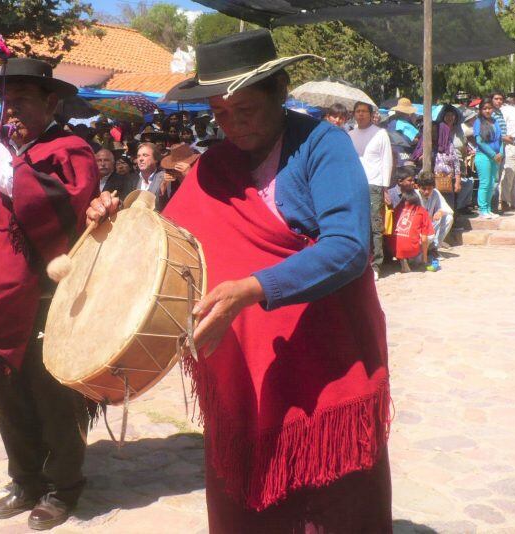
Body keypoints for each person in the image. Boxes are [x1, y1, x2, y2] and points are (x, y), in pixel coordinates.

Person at [88, 29, 390, 533]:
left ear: (279, 91)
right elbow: (167, 240)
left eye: (245, 109)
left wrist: (252, 289)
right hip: (243, 368)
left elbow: (350, 247)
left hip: (322, 358)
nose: (233, 124)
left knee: (330, 500)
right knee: (250, 500)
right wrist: (111, 220)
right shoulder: (216, 165)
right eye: (221, 113)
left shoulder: (322, 146)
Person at [0, 58, 98, 530]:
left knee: (53, 394)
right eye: (6, 103)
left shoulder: (71, 149)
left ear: (52, 102)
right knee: (7, 392)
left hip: (48, 298)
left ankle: (62, 486)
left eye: (23, 102)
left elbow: (59, 205)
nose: (10, 113)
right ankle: (26, 478)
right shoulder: (1, 151)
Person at [348, 101, 393, 281]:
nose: (360, 115)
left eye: (364, 111)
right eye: (357, 111)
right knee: (357, 224)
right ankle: (360, 262)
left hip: (374, 184)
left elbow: (386, 161)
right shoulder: (350, 135)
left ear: (370, 113)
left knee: (375, 226)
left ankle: (376, 265)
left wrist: (385, 188)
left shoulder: (380, 134)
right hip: (355, 185)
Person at [387, 190, 434, 273]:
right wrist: (425, 260)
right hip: (411, 249)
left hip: (393, 248)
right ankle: (415, 259)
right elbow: (424, 239)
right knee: (430, 236)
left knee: (401, 238)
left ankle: (402, 258)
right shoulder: (422, 211)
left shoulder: (397, 209)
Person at [474, 97, 504, 219]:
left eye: (489, 108)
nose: (487, 111)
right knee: (485, 183)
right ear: (481, 110)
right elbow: (479, 141)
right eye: (485, 108)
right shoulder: (478, 122)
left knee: (492, 184)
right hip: (484, 156)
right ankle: (482, 209)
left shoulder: (495, 121)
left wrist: (501, 153)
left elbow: (500, 139)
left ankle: (489, 209)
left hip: (496, 157)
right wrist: (493, 154)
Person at [417, 172, 454, 254]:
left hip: (429, 226)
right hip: (417, 229)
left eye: (429, 189)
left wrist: (440, 212)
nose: (426, 192)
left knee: (448, 217)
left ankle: (434, 248)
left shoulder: (435, 193)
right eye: (423, 189)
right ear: (418, 187)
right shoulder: (415, 195)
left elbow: (448, 209)